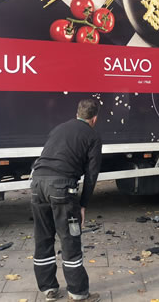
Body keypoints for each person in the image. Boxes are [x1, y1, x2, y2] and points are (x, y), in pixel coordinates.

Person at [30, 99, 102, 302]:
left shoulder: (58, 129)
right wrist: (83, 205)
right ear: (94, 118)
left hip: (37, 185)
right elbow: (92, 174)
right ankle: (78, 293)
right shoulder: (92, 136)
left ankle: (48, 289)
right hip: (62, 188)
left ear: (77, 113)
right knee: (70, 239)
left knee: (43, 237)